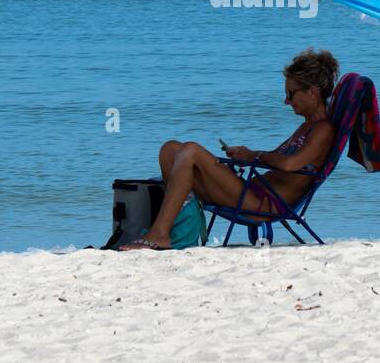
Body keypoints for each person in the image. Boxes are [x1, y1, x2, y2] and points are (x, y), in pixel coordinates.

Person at [118, 49, 339, 251]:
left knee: (191, 150)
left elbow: (290, 164)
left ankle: (160, 234)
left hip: (263, 203)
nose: (286, 101)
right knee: (171, 149)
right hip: (251, 191)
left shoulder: (323, 129)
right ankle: (183, 230)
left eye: (291, 94)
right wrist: (246, 156)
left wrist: (252, 155)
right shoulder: (306, 127)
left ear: (313, 93)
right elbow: (278, 161)